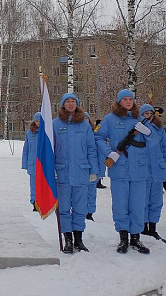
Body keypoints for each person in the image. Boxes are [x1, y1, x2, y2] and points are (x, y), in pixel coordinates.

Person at [95, 89, 152, 255]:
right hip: (120, 168)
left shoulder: (140, 119)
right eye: (125, 99)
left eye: (131, 99)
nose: (128, 102)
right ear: (119, 102)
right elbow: (98, 137)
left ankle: (136, 237)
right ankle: (123, 238)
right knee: (120, 205)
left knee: (138, 205)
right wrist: (109, 153)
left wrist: (148, 133)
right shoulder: (110, 119)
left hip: (139, 170)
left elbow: (154, 141)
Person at [53, 94, 97, 254]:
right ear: (63, 105)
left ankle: (79, 239)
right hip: (62, 172)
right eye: (68, 101)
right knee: (64, 208)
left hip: (81, 172)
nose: (71, 104)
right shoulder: (56, 124)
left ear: (77, 104)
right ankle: (68, 240)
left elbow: (92, 148)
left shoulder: (84, 125)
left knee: (80, 208)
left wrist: (93, 170)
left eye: (73, 102)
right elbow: (50, 149)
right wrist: (52, 171)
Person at [138, 104, 166, 243]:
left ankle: (153, 228)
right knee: (143, 200)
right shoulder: (138, 129)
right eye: (145, 113)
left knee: (156, 201)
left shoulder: (160, 129)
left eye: (150, 113)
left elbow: (165, 149)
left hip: (157, 169)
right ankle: (143, 228)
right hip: (144, 169)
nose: (149, 115)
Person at [83, 112, 101, 221]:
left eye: (87, 118)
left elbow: (98, 153)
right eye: (83, 118)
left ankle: (90, 212)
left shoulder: (95, 133)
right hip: (82, 166)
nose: (85, 120)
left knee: (91, 191)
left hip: (93, 166)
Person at [22, 112, 41, 211]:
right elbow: (26, 149)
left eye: (40, 121)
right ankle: (34, 202)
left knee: (43, 184)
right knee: (33, 185)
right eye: (37, 121)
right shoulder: (30, 133)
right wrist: (25, 164)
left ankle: (42, 202)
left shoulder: (46, 132)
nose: (38, 123)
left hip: (43, 164)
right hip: (32, 163)